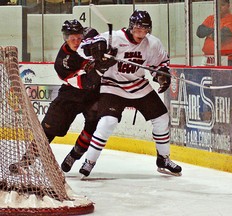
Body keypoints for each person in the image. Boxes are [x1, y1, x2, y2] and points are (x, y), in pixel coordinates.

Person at [78, 10, 182, 177]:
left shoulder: (152, 43)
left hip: (139, 85)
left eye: (145, 30)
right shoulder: (113, 37)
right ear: (131, 27)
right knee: (107, 123)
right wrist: (94, 50)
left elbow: (160, 64)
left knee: (162, 118)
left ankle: (163, 158)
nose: (141, 33)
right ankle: (89, 161)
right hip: (113, 86)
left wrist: (161, 76)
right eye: (138, 29)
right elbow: (82, 49)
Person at [41, 19, 103, 173]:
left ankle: (74, 156)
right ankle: (27, 158)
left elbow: (106, 41)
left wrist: (104, 49)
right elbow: (85, 82)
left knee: (93, 126)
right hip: (72, 93)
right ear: (65, 38)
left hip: (94, 95)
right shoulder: (62, 62)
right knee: (50, 127)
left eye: (79, 38)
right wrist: (99, 69)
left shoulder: (90, 35)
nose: (76, 42)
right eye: (72, 39)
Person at [196, 0, 232, 66]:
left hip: (225, 58)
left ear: (228, 6)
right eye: (218, 5)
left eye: (222, 5)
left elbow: (222, 36)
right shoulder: (210, 18)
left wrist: (209, 33)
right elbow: (199, 32)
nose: (219, 7)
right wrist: (215, 30)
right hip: (207, 57)